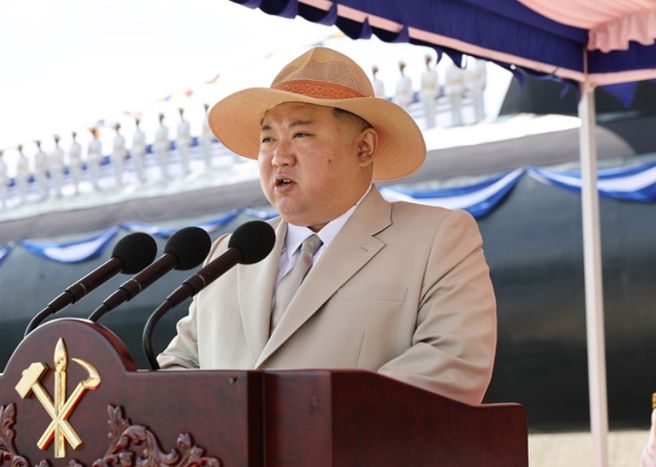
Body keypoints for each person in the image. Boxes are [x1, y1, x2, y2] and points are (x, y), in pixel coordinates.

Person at [158, 47, 497, 405]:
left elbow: (451, 366)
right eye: (268, 139)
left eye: (301, 135)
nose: (279, 157)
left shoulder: (436, 239)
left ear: (364, 148)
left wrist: (300, 423)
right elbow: (180, 362)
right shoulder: (229, 254)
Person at [420, 55, 439, 129]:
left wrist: (436, 94)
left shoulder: (434, 72)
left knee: (432, 111)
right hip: (425, 94)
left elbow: (436, 84)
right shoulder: (423, 73)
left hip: (432, 93)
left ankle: (433, 126)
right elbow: (422, 86)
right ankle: (428, 126)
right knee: (426, 111)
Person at [465, 57, 487, 123]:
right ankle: (477, 118)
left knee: (480, 102)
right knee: (475, 103)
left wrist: (483, 84)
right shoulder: (474, 64)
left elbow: (483, 74)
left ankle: (482, 118)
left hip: (478, 85)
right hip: (473, 85)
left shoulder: (482, 63)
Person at [445, 60, 465, 127]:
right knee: (453, 107)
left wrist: (462, 89)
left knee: (458, 106)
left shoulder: (459, 68)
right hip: (451, 90)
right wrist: (447, 91)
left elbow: (462, 80)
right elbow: (447, 81)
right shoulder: (448, 69)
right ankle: (454, 122)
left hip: (457, 89)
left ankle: (460, 122)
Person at [154, 113, 170, 181]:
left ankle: (166, 174)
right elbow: (155, 138)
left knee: (164, 161)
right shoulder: (157, 128)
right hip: (158, 147)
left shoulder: (165, 128)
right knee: (160, 161)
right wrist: (155, 146)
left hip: (163, 145)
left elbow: (166, 137)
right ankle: (162, 174)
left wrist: (167, 145)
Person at [176, 107, 192, 176]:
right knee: (182, 156)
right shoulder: (178, 123)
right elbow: (177, 134)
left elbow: (188, 132)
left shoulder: (187, 123)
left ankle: (187, 169)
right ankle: (184, 169)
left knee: (186, 156)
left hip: (185, 141)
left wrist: (189, 141)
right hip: (180, 142)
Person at [131, 117, 147, 182]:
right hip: (135, 151)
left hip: (140, 150)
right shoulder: (134, 133)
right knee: (137, 165)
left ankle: (143, 178)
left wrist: (142, 150)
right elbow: (133, 144)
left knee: (141, 165)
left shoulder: (141, 133)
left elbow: (143, 143)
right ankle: (139, 178)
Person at [200, 103, 214, 171]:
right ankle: (207, 165)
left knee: (208, 151)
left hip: (208, 137)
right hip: (204, 137)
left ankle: (209, 165)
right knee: (205, 152)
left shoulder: (209, 117)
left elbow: (210, 127)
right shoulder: (204, 118)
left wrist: (212, 136)